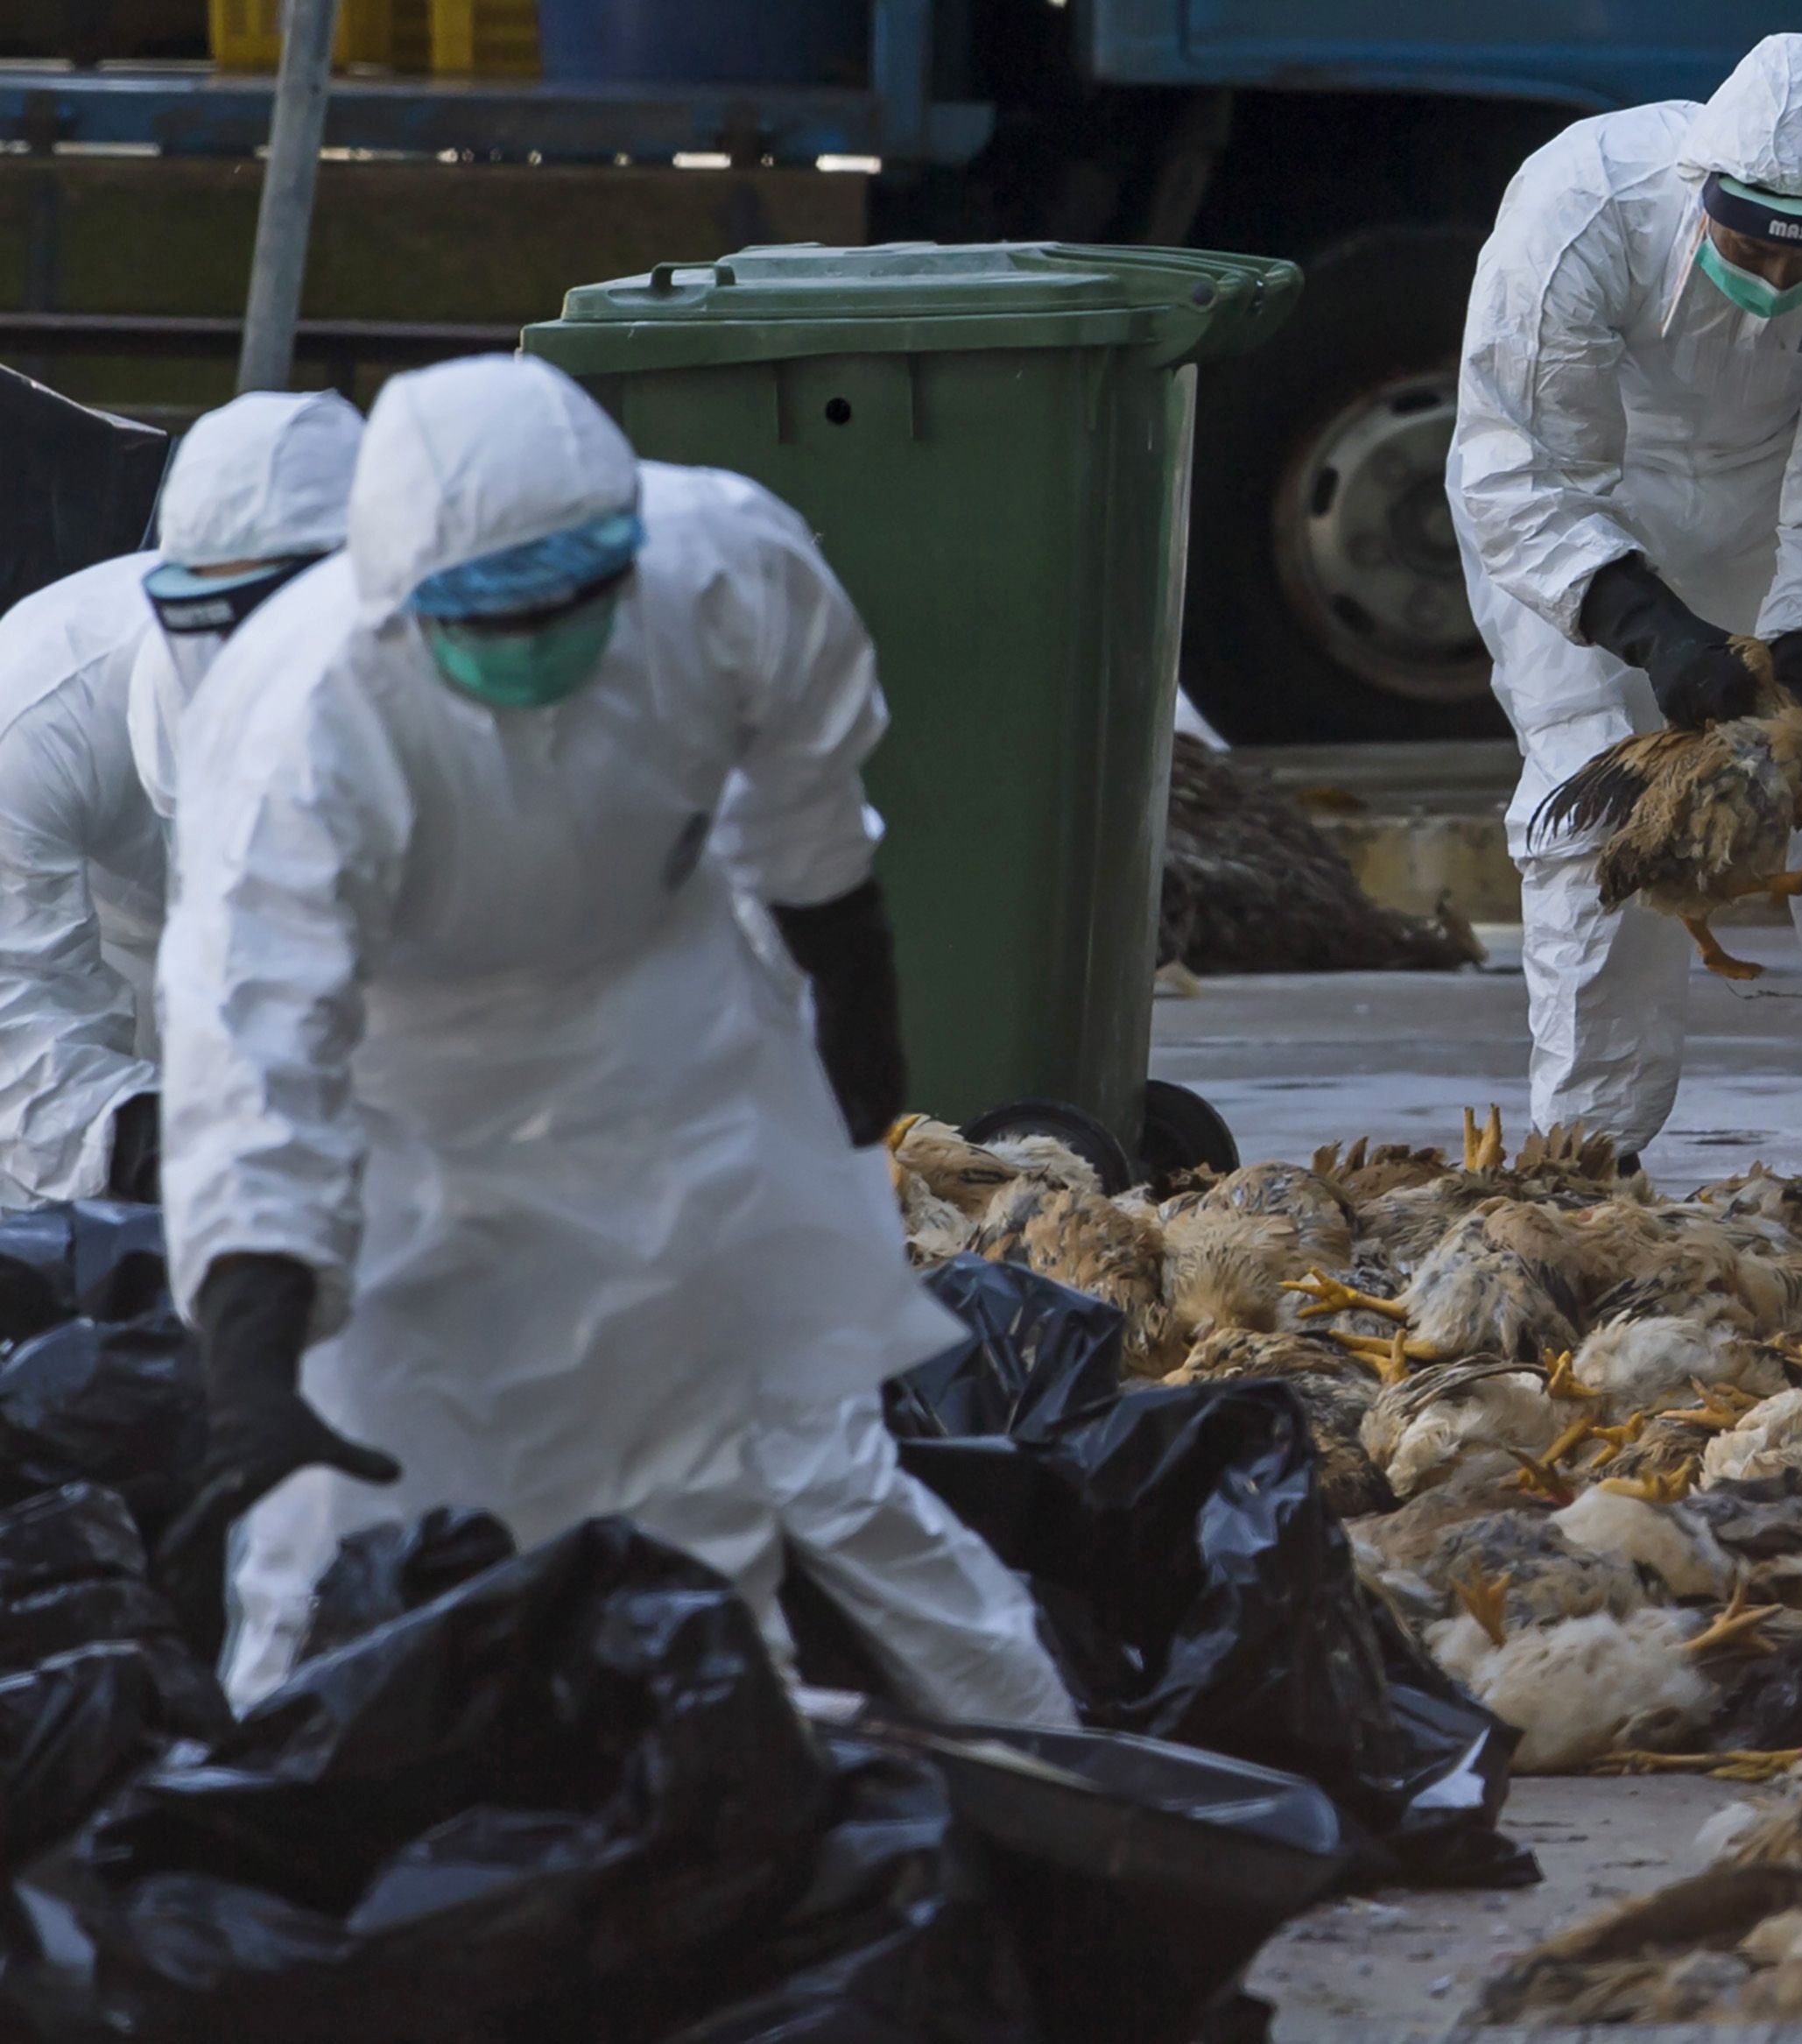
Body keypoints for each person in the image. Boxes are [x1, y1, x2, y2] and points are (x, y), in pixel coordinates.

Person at [157, 353, 1074, 1723]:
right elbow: (261, 1035)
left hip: (662, 1033)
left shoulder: (725, 565)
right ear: (398, 600)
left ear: (626, 554)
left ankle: (716, 1799)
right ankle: (293, 1835)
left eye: (568, 599)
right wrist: (253, 1320)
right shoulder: (305, 723)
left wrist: (852, 995)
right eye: (488, 614)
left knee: (692, 1475)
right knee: (348, 1512)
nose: (533, 640)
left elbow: (805, 789)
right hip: (405, 1088)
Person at [1448, 32, 1802, 1251]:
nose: (1777, 275)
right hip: (1591, 537)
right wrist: (1644, 626)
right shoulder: (1581, 204)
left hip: (1793, 527)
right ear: (1707, 189)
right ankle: (1590, 1182)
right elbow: (1521, 464)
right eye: (1750, 247)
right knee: (1593, 831)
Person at [0, 390, 363, 1208]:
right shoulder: (34, 706)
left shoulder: (442, 684)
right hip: (108, 947)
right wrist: (147, 1144)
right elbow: (16, 1009)